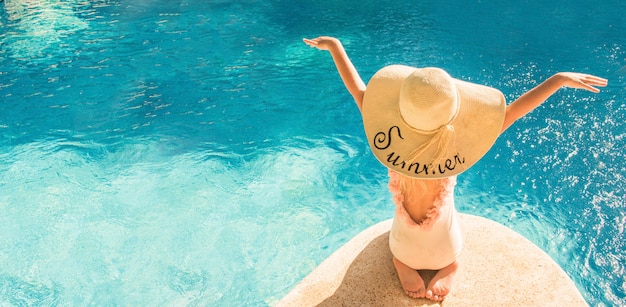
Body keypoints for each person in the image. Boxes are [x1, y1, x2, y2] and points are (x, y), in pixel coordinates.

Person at [303, 36, 607, 302]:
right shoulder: (455, 147)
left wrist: (335, 46)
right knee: (449, 242)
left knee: (400, 249)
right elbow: (513, 111)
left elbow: (358, 89)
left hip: (402, 245)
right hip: (445, 245)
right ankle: (450, 266)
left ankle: (404, 265)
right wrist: (557, 79)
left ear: (401, 109)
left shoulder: (392, 142)